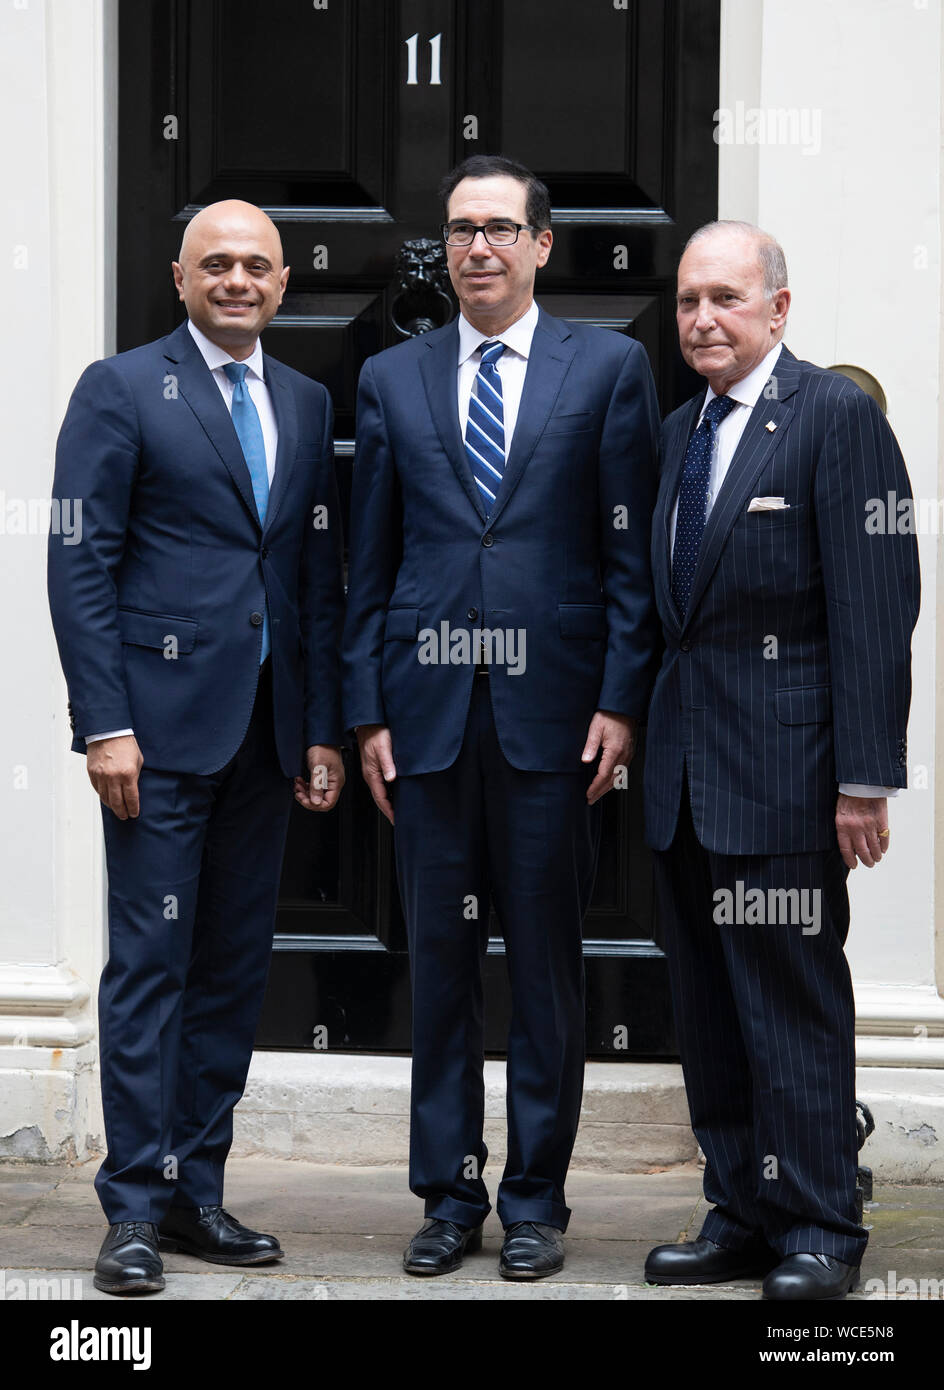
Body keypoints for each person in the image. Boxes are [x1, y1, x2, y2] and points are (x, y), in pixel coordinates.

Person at [342, 155, 661, 1280]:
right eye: (458, 231)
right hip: (425, 715)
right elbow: (366, 561)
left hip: (554, 716)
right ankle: (445, 1193)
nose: (476, 248)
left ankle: (535, 1199)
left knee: (542, 966)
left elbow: (629, 559)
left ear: (539, 245)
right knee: (438, 963)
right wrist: (364, 708)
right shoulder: (393, 379)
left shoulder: (610, 369)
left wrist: (622, 698)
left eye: (498, 230)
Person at [47, 200, 345, 1295]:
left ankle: (193, 1193)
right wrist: (105, 723)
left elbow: (310, 577)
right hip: (157, 739)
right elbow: (79, 561)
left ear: (280, 282)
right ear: (177, 277)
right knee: (149, 970)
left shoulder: (306, 403)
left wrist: (317, 727)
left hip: (266, 737)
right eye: (214, 263)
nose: (235, 280)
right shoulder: (120, 388)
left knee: (228, 973)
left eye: (254, 265)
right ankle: (129, 1210)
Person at [643, 220, 920, 1300]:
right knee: (707, 1008)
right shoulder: (679, 432)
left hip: (789, 778)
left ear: (777, 308)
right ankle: (740, 1212)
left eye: (723, 298)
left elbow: (873, 607)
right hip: (681, 778)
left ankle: (818, 1227)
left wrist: (863, 778)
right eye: (685, 302)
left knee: (790, 1007)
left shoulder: (834, 418)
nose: (701, 319)